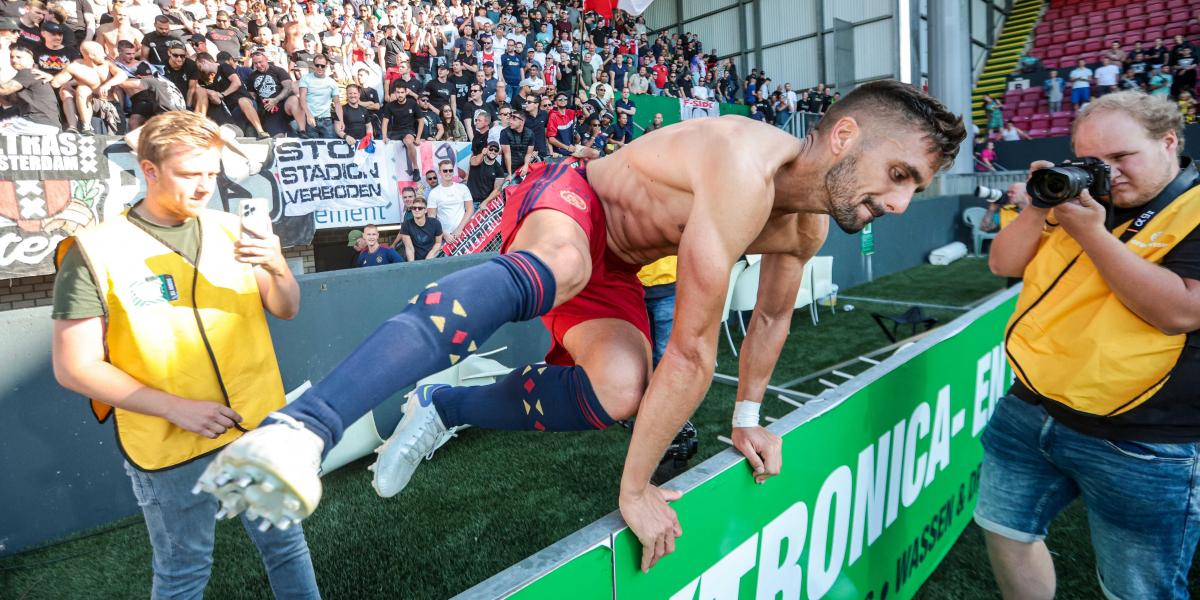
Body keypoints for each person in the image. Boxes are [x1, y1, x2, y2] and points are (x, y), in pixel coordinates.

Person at [196, 79, 964, 571]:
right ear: (844, 136)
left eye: (914, 188)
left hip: (619, 270)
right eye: (899, 176)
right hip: (574, 205)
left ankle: (441, 406)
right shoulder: (741, 161)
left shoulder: (804, 230)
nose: (898, 204)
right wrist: (633, 488)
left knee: (622, 390)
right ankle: (306, 425)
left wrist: (751, 417)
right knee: (562, 268)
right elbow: (693, 350)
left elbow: (768, 320)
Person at [49, 112, 318, 598]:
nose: (203, 187)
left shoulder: (231, 228)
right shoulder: (92, 249)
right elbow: (74, 367)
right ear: (149, 171)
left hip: (255, 424)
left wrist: (278, 266)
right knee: (184, 571)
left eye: (211, 174)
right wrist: (176, 407)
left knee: (287, 548)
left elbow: (288, 308)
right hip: (167, 442)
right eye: (189, 174)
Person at [981, 91, 1200, 600]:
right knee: (1006, 533)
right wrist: (1039, 205)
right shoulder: (1075, 201)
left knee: (1137, 589)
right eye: (1091, 162)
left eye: (1122, 158)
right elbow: (1004, 264)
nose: (1109, 174)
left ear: (1169, 142)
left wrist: (1093, 234)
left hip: (1144, 436)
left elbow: (1179, 312)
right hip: (1030, 406)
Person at [0, 43, 60, 127]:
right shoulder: (32, 75)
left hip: (37, 122)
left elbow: (3, 90)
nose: (14, 60)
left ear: (31, 60)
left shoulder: (28, 72)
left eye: (19, 57)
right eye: (11, 57)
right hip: (47, 124)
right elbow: (9, 101)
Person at [637, 256, 677, 366]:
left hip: (667, 288)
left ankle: (665, 382)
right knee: (637, 348)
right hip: (634, 287)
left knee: (663, 351)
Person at [426, 158, 474, 243]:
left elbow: (470, 210)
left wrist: (459, 229)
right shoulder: (434, 193)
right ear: (440, 173)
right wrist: (444, 234)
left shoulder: (463, 188)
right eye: (445, 171)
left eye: (450, 170)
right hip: (445, 237)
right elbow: (431, 218)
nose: (448, 173)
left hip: (463, 233)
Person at [298, 54, 341, 139]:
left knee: (329, 148)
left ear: (326, 66)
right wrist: (309, 115)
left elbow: (337, 104)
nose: (320, 67)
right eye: (317, 65)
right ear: (313, 65)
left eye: (322, 66)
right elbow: (302, 98)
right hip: (311, 119)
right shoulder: (305, 78)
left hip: (327, 120)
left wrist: (341, 120)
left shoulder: (332, 82)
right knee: (313, 148)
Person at [396, 196, 443, 261]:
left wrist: (428, 259)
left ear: (426, 210)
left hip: (432, 258)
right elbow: (409, 247)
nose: (416, 210)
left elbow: (438, 243)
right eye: (414, 208)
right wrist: (412, 264)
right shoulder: (406, 224)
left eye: (420, 208)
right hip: (415, 259)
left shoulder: (435, 223)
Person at [467, 140, 506, 206]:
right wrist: (482, 153)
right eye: (491, 149)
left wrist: (485, 202)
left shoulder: (499, 169)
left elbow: (497, 190)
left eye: (496, 150)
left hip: (484, 203)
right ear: (486, 149)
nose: (493, 151)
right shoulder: (475, 158)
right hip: (470, 201)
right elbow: (475, 162)